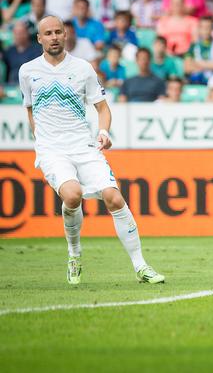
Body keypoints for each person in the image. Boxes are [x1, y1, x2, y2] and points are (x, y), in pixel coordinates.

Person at [18, 16, 164, 285]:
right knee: (72, 196)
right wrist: (40, 138)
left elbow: (102, 107)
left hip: (83, 146)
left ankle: (141, 266)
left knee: (114, 197)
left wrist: (104, 132)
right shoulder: (27, 71)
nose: (53, 37)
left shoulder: (83, 68)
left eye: (58, 32)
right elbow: (30, 108)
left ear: (65, 35)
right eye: (47, 33)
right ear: (39, 39)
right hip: (53, 150)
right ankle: (74, 255)